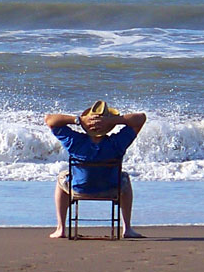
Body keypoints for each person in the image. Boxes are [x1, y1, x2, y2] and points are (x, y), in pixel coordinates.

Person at [45, 100, 146, 238]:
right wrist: (113, 120)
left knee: (62, 177)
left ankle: (61, 228)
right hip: (111, 188)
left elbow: (49, 119)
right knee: (125, 178)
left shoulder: (75, 141)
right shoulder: (117, 143)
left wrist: (79, 120)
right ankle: (127, 228)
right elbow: (141, 118)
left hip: (79, 188)